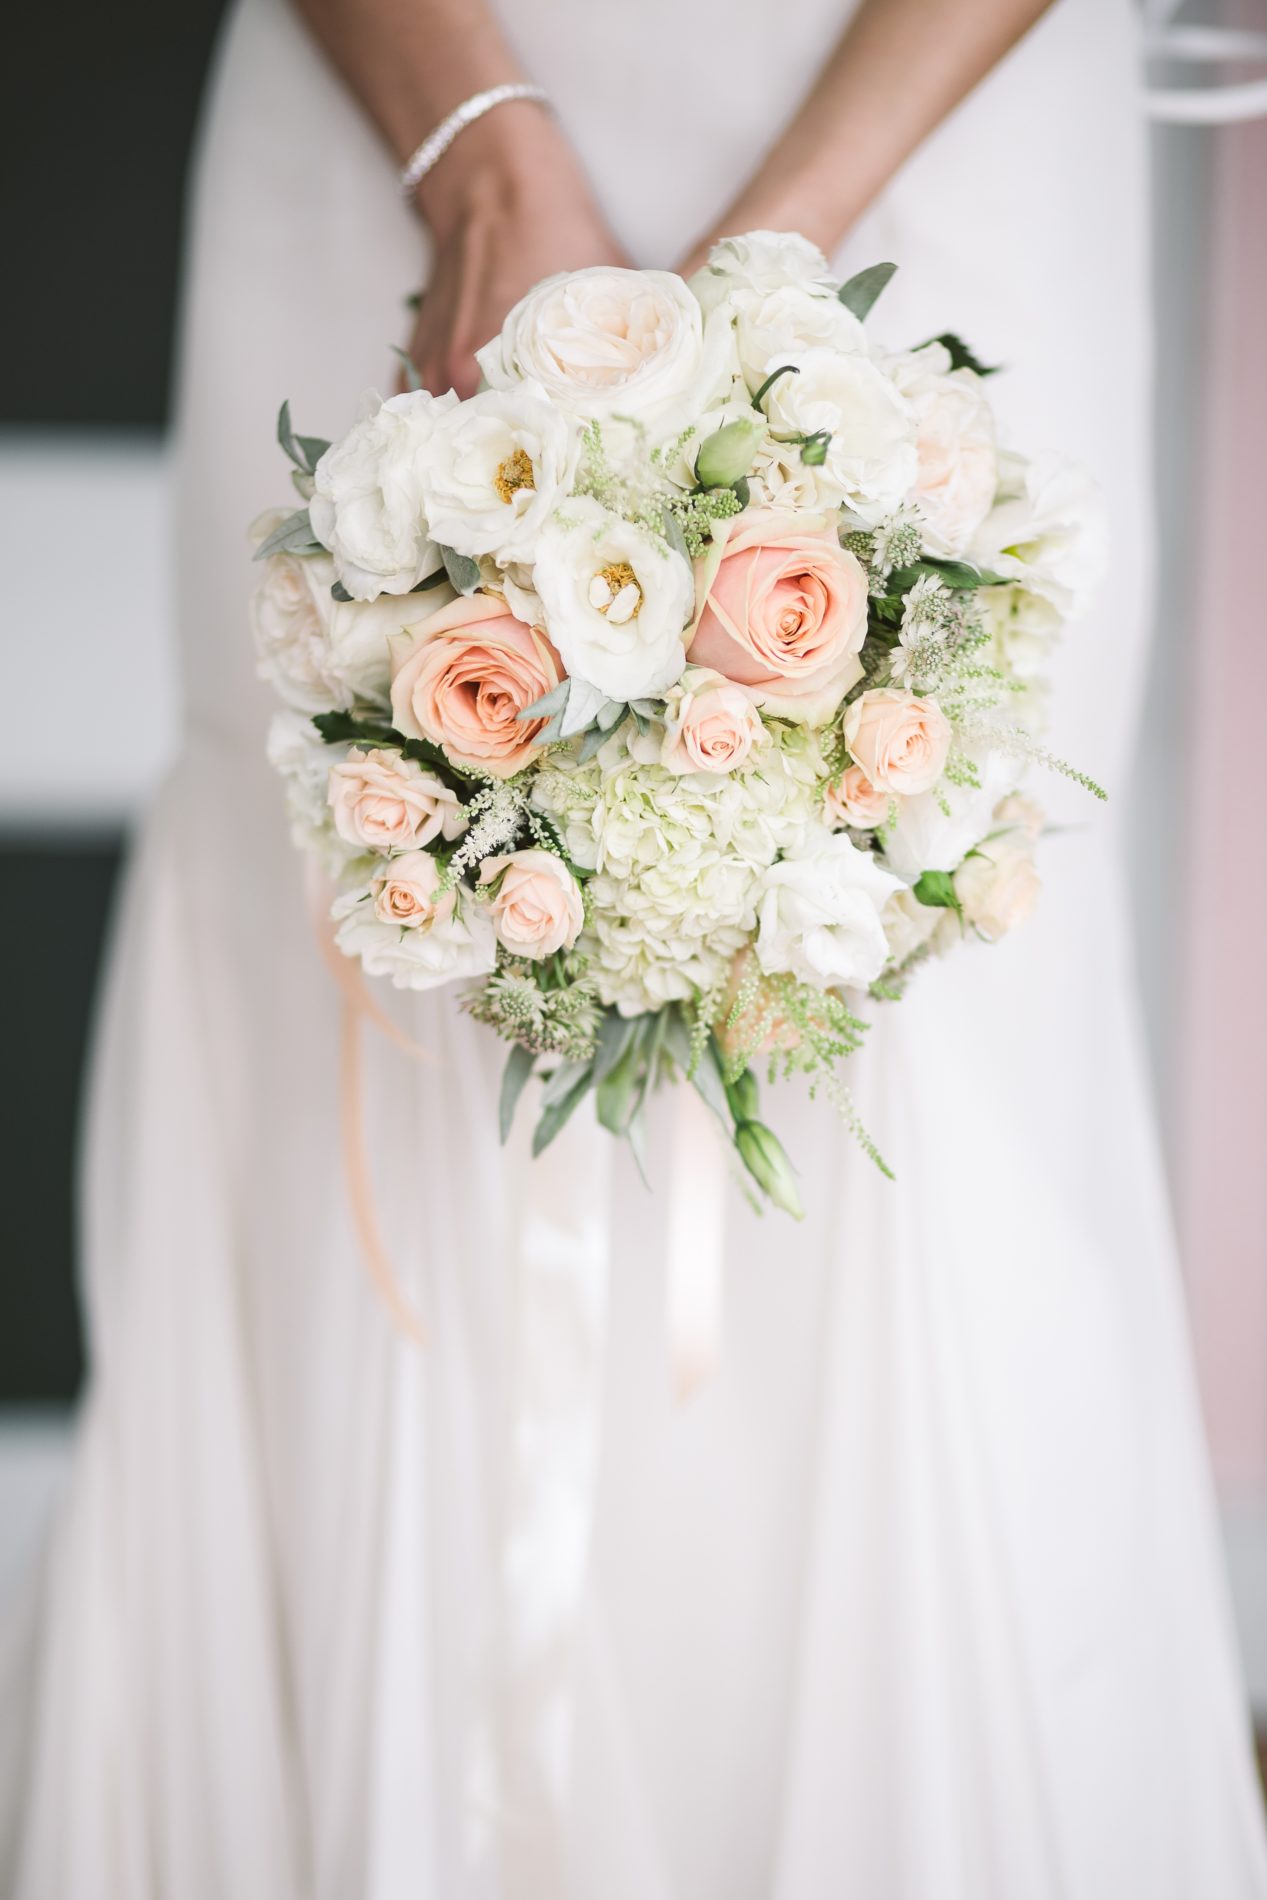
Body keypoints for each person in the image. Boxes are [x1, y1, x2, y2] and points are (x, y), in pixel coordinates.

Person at [4, 0, 1266, 1895]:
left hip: (936, 115)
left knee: (922, 992)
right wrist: (482, 154)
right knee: (355, 910)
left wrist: (766, 284)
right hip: (388, 120)